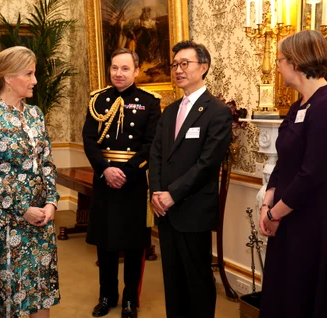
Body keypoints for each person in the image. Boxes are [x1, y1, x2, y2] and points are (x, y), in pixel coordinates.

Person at [259, 30, 327, 317]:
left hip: (314, 218)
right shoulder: (299, 103)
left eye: (280, 60)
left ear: (296, 62)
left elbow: (312, 173)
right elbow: (284, 161)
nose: (278, 66)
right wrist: (267, 202)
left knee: (308, 296)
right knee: (286, 295)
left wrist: (275, 214)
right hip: (288, 214)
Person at [0, 46, 60, 318]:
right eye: (29, 73)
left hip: (41, 217)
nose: (35, 80)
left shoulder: (35, 114)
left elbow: (46, 161)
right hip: (8, 220)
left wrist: (51, 203)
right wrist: (23, 208)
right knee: (12, 292)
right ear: (9, 77)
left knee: (41, 288)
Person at [149, 40, 232, 318]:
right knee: (172, 281)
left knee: (197, 280)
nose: (178, 70)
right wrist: (156, 193)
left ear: (203, 67)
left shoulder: (217, 111)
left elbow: (207, 164)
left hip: (193, 210)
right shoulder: (169, 111)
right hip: (165, 211)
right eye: (175, 65)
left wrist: (172, 194)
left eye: (185, 63)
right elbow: (157, 155)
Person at [82, 48, 161, 318]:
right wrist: (106, 170)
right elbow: (89, 140)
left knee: (133, 243)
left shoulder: (149, 102)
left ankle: (130, 300)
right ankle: (107, 295)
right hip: (105, 180)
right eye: (115, 68)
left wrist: (126, 172)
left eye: (125, 68)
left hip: (133, 180)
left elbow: (151, 145)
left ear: (136, 71)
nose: (118, 73)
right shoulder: (98, 100)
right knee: (105, 242)